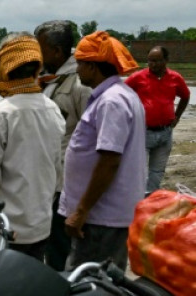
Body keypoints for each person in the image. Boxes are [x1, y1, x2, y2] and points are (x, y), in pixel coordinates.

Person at [0, 33, 64, 265]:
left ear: (3, 70)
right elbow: (56, 169)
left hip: (2, 226)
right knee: (25, 290)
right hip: (39, 223)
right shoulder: (52, 109)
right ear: (36, 69)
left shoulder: (0, 114)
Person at [59, 31, 145, 271]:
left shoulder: (111, 102)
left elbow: (109, 161)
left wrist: (81, 211)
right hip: (102, 214)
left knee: (88, 285)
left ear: (93, 67)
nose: (77, 70)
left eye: (79, 64)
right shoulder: (118, 95)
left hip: (101, 217)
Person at [34, 20, 91, 271]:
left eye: (40, 48)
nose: (36, 54)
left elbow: (91, 138)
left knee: (61, 246)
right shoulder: (47, 80)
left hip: (67, 182)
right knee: (51, 243)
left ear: (57, 51)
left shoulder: (80, 84)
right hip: (48, 178)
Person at [125, 46, 190, 193]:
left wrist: (177, 116)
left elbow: (185, 96)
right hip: (143, 132)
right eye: (150, 61)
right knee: (138, 169)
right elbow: (120, 94)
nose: (153, 64)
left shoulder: (175, 78)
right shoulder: (138, 77)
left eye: (157, 61)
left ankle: (150, 198)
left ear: (166, 61)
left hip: (165, 132)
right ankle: (135, 199)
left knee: (157, 171)